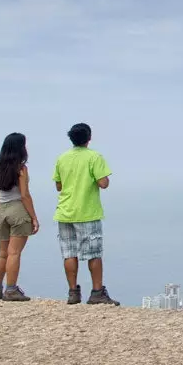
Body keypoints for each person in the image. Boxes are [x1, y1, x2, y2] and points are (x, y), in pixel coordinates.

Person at [53, 123, 118, 305]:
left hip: (65, 212)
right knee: (94, 253)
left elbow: (58, 186)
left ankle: (73, 292)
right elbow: (103, 183)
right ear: (89, 138)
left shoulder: (62, 158)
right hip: (87, 212)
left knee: (69, 253)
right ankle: (97, 292)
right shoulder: (94, 157)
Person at [0, 133, 39, 301]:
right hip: (18, 210)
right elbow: (24, 195)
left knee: (2, 253)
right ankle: (11, 289)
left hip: (1, 211)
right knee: (14, 253)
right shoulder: (20, 168)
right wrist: (34, 217)